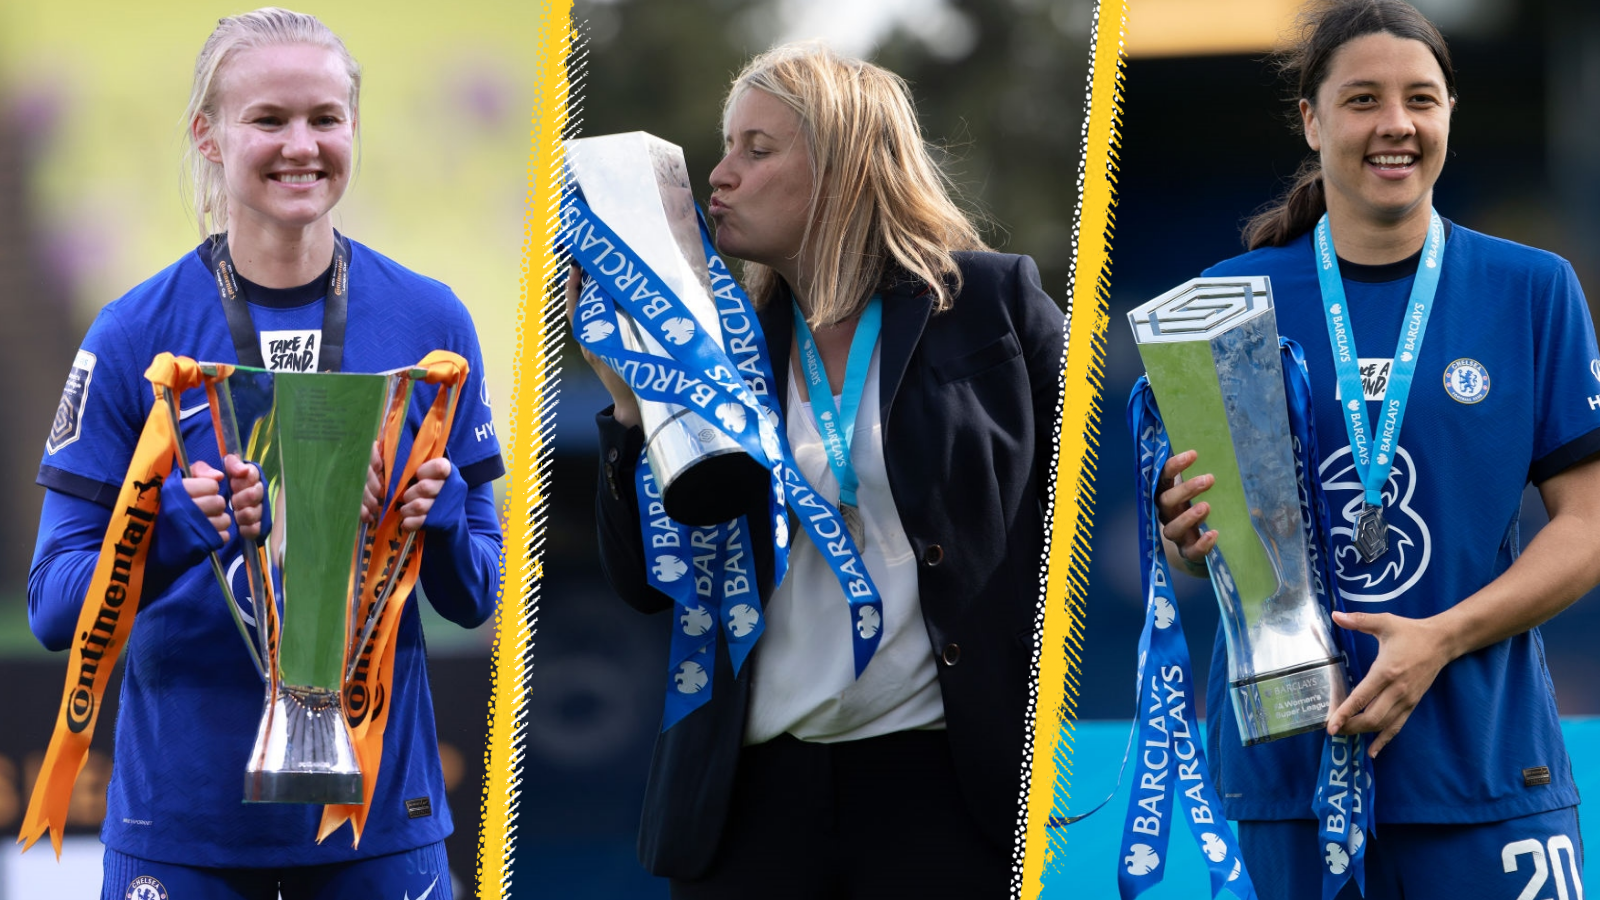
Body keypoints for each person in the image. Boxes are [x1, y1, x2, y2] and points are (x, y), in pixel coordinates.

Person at [26, 8, 504, 899]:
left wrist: (434, 523)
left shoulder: (430, 321)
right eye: (269, 120)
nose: (302, 145)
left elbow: (479, 594)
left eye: (326, 118)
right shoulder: (136, 334)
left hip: (377, 831)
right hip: (183, 837)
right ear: (209, 135)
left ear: (353, 127)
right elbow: (55, 608)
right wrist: (164, 529)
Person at [574, 42, 1065, 899]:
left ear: (843, 168)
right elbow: (652, 585)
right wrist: (628, 412)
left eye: (756, 149)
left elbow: (1097, 492)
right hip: (754, 802)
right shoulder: (716, 352)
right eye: (726, 147)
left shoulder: (991, 306)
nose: (719, 175)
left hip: (948, 790)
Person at [1157, 2, 1600, 897]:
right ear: (1312, 121)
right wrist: (1186, 538)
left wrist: (1439, 639)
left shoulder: (1532, 290)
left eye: (1420, 99)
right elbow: (1209, 557)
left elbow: (1588, 525)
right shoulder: (1223, 300)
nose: (1395, 123)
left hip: (1485, 772)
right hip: (1288, 776)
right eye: (1362, 99)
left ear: (1445, 117)